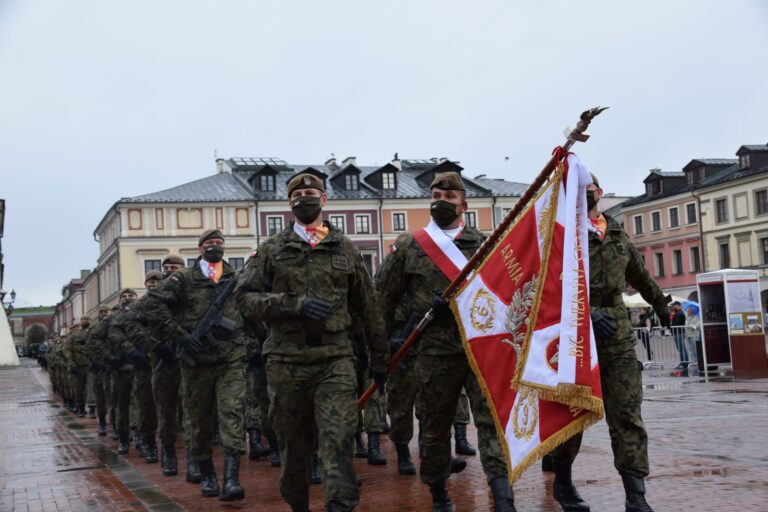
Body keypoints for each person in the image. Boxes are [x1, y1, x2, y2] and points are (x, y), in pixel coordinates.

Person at [235, 172, 388, 512]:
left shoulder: (345, 247)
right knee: (294, 448)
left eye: (311, 193)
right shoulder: (272, 249)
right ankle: (299, 504)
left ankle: (339, 506)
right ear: (290, 203)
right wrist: (293, 305)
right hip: (287, 361)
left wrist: (380, 358)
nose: (304, 198)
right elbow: (244, 298)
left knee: (339, 439)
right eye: (298, 194)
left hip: (335, 357)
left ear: (324, 200)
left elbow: (369, 306)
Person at [375, 171, 516, 512]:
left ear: (463, 204)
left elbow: (505, 292)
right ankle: (439, 494)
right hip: (434, 352)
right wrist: (383, 345)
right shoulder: (410, 246)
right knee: (435, 427)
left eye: (449, 197)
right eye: (436, 194)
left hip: (481, 347)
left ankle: (503, 496)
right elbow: (383, 297)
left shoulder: (485, 244)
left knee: (492, 423)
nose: (441, 200)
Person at [551, 174, 670, 512]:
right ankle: (562, 481)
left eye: (585, 191)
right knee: (573, 413)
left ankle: (636, 496)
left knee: (627, 412)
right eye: (573, 192)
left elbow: (640, 274)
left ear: (598, 193)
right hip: (575, 334)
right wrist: (586, 313)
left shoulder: (616, 233)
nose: (580, 196)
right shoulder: (563, 235)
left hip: (617, 334)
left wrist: (661, 306)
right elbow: (550, 286)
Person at [144, 230, 247, 501]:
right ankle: (208, 473)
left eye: (219, 243)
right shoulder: (185, 278)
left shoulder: (235, 278)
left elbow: (251, 310)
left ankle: (232, 479)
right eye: (209, 243)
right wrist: (180, 335)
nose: (215, 247)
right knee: (199, 420)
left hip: (231, 359)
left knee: (232, 414)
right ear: (199, 248)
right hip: (197, 362)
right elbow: (152, 306)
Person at [670, 301, 688, 372]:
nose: (672, 307)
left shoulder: (679, 313)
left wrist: (671, 324)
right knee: (681, 349)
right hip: (678, 333)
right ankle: (683, 362)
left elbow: (676, 324)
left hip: (679, 333)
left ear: (677, 306)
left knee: (682, 349)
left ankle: (684, 363)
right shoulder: (677, 313)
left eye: (673, 306)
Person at [684, 305, 700, 376]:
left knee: (695, 349)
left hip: (694, 335)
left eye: (688, 310)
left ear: (692, 311)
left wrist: (694, 326)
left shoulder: (696, 317)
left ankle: (697, 361)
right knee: (691, 349)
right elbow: (685, 325)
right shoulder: (687, 318)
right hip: (688, 335)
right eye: (687, 311)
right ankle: (694, 362)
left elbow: (698, 325)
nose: (687, 312)